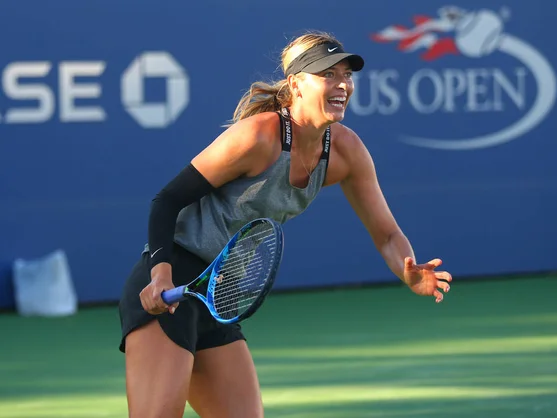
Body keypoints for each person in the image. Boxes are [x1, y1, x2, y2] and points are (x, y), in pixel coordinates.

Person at [118, 30, 453, 418]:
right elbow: (168, 200)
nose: (343, 84)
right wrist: (160, 275)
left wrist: (406, 269)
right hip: (173, 283)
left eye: (346, 74)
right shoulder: (259, 137)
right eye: (328, 74)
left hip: (217, 297)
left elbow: (388, 234)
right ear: (296, 84)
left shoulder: (346, 151)